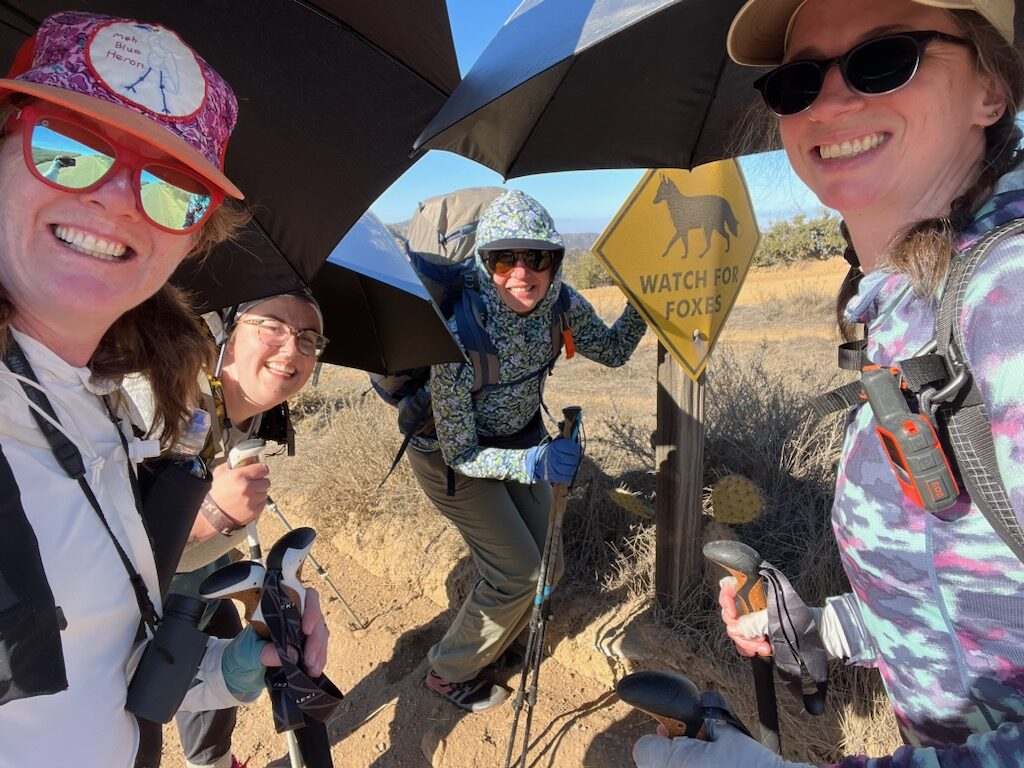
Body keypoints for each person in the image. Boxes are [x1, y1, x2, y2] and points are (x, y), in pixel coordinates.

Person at [633, 0, 1024, 766]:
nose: (833, 101)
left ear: (990, 88)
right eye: (798, 80)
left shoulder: (1007, 305)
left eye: (887, 58)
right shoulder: (917, 298)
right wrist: (829, 627)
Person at [0, 12, 328, 768]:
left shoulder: (101, 411)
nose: (119, 199)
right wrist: (210, 518)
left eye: (173, 188)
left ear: (193, 236)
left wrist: (239, 668)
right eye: (68, 147)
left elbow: (96, 666)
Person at [411, 189, 648, 712]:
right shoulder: (456, 333)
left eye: (536, 256)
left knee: (550, 564)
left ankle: (502, 641)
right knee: (518, 570)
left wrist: (645, 302)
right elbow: (461, 453)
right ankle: (450, 672)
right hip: (452, 459)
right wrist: (534, 463)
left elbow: (610, 351)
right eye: (503, 258)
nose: (521, 272)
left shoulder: (560, 302)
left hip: (519, 440)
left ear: (555, 261)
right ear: (484, 261)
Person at [127, 291, 328, 768]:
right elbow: (100, 555)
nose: (291, 348)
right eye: (273, 326)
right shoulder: (154, 394)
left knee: (224, 644)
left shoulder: (249, 404)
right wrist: (208, 518)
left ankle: (212, 760)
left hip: (198, 570)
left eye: (308, 338)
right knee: (139, 725)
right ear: (229, 330)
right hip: (135, 597)